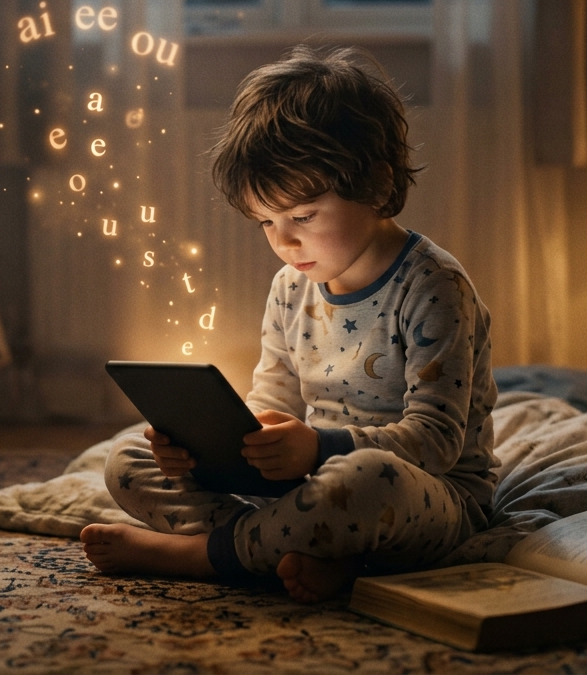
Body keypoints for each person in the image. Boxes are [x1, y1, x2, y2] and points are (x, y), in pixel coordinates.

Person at [80, 45, 498, 603]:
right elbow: (272, 399)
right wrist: (215, 444)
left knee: (365, 483)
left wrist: (319, 450)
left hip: (427, 497)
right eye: (266, 222)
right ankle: (310, 555)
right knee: (125, 460)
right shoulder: (290, 286)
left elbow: (437, 443)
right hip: (305, 487)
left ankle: (210, 556)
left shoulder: (434, 287)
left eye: (302, 216)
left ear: (375, 186)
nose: (284, 241)